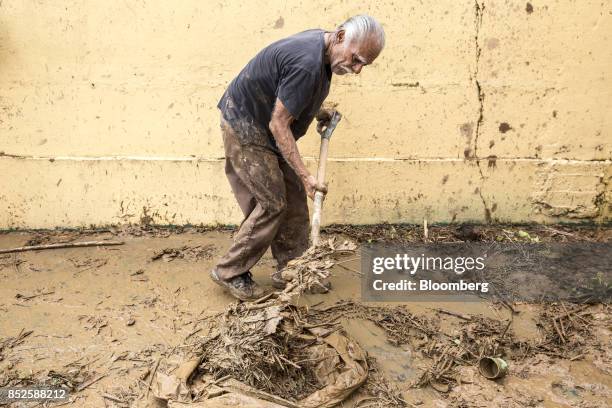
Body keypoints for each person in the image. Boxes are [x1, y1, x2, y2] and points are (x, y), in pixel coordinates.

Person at [210, 15, 385, 300]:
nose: (356, 70)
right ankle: (230, 271)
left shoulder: (322, 52)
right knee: (272, 203)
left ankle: (292, 267)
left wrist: (318, 112)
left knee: (292, 199)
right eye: (356, 60)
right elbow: (279, 123)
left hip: (265, 125)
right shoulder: (307, 61)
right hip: (246, 125)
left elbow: (289, 92)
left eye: (363, 65)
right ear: (341, 37)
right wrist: (305, 176)